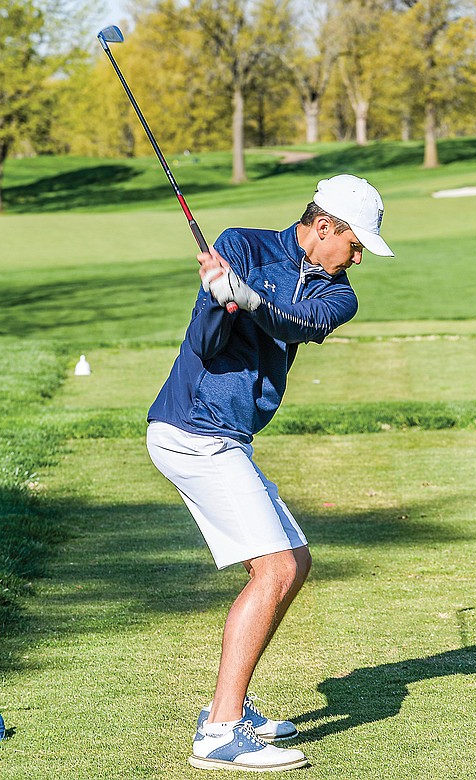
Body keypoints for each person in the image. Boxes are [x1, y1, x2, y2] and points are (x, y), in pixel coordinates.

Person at [146, 174, 393, 772]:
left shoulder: (341, 296)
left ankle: (233, 709)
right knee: (275, 566)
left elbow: (294, 323)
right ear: (325, 226)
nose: (358, 258)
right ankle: (221, 730)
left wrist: (248, 297)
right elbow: (204, 346)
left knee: (296, 561)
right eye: (356, 244)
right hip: (193, 430)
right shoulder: (241, 246)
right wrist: (215, 294)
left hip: (228, 436)